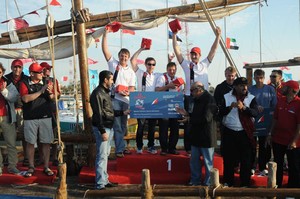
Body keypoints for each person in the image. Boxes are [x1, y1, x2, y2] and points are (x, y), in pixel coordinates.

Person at [172, 26, 221, 154]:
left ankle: (203, 146)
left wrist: (217, 37)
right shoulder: (186, 65)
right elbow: (177, 51)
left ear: (199, 55)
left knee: (204, 121)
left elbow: (213, 50)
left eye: (196, 54)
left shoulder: (205, 64)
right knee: (189, 123)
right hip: (189, 96)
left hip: (204, 97)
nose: (194, 56)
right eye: (192, 54)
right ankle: (189, 149)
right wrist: (174, 35)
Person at [90, 70, 130, 190]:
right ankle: (100, 183)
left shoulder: (106, 93)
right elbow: (98, 114)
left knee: (106, 154)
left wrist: (123, 112)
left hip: (109, 126)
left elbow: (109, 112)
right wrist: (102, 131)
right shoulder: (97, 93)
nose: (113, 82)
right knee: (102, 155)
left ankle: (104, 179)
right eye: (111, 79)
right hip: (103, 128)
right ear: (105, 80)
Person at [102, 28, 136, 158]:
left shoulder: (131, 71)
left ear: (128, 58)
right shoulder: (113, 64)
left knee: (123, 125)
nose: (123, 58)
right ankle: (119, 150)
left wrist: (127, 91)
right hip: (115, 99)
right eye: (122, 55)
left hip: (125, 100)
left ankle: (120, 147)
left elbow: (132, 88)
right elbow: (105, 50)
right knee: (116, 125)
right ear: (119, 56)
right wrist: (106, 34)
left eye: (126, 56)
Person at [176, 81, 218, 186]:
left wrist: (189, 119)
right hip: (196, 136)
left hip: (207, 136)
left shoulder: (210, 99)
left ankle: (209, 182)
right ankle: (195, 180)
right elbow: (194, 114)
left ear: (199, 90)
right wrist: (186, 113)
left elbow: (206, 118)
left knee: (208, 162)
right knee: (194, 161)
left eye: (192, 90)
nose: (191, 93)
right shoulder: (194, 100)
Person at [219, 77, 258, 187]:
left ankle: (245, 182)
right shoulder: (226, 96)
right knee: (229, 159)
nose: (244, 88)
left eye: (246, 85)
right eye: (241, 85)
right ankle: (228, 181)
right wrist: (229, 108)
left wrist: (244, 108)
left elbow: (255, 113)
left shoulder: (251, 98)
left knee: (246, 159)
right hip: (229, 131)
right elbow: (219, 112)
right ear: (235, 86)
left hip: (244, 132)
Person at [19, 62, 55, 177]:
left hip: (45, 116)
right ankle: (31, 166)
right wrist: (41, 91)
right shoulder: (24, 83)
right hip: (30, 117)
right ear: (31, 74)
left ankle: (46, 166)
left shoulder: (47, 82)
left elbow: (53, 98)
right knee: (30, 142)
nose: (41, 73)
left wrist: (50, 93)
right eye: (39, 72)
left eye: (41, 71)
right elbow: (25, 99)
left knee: (46, 142)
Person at [267, 80, 300, 188]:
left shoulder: (299, 103)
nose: (282, 88)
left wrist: (294, 141)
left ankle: (292, 191)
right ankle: (277, 187)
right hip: (278, 140)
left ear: (291, 89)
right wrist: (270, 134)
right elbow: (275, 119)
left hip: (293, 142)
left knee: (294, 166)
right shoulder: (280, 100)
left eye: (285, 87)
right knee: (277, 165)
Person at [130, 47, 161, 154]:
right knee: (141, 127)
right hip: (142, 103)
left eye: (153, 64)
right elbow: (132, 61)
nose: (151, 66)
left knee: (152, 128)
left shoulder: (157, 75)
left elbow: (169, 74)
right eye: (149, 64)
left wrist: (170, 59)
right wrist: (141, 49)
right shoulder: (140, 73)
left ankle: (151, 146)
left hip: (153, 104)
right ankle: (139, 146)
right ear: (145, 64)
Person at [248, 69, 277, 176]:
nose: (259, 80)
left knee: (264, 145)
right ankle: (251, 166)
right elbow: (247, 103)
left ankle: (262, 166)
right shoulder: (250, 89)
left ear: (264, 78)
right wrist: (256, 107)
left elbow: (274, 105)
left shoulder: (270, 89)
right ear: (254, 78)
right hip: (253, 121)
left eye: (261, 78)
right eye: (257, 78)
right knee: (251, 144)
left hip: (266, 122)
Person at [155, 62, 184, 155]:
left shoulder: (178, 79)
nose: (172, 71)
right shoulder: (162, 78)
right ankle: (164, 149)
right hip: (163, 106)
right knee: (163, 128)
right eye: (170, 70)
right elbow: (157, 90)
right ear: (167, 69)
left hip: (175, 107)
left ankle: (172, 148)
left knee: (175, 128)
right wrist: (168, 86)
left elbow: (182, 92)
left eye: (174, 70)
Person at [5, 59, 29, 166]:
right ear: (11, 68)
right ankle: (12, 158)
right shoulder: (6, 78)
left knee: (25, 135)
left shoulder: (26, 79)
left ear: (22, 68)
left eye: (19, 67)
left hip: (23, 110)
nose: (17, 69)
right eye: (15, 67)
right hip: (9, 109)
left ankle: (27, 157)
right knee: (10, 135)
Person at [0, 63, 20, 175]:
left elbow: (14, 97)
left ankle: (12, 166)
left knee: (11, 143)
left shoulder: (8, 82)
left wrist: (4, 91)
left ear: (2, 72)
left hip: (7, 116)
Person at [40, 62, 61, 166]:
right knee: (40, 136)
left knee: (55, 134)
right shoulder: (37, 80)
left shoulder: (53, 80)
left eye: (49, 69)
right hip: (39, 109)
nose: (48, 70)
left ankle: (54, 157)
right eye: (46, 69)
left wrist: (52, 93)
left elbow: (57, 95)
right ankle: (41, 157)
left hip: (51, 109)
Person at [213, 66, 237, 156]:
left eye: (232, 76)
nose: (230, 78)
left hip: (237, 118)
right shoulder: (220, 87)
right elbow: (215, 103)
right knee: (225, 140)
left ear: (235, 76)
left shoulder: (238, 86)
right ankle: (224, 159)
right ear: (225, 75)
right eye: (228, 76)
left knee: (236, 141)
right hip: (225, 116)